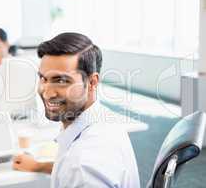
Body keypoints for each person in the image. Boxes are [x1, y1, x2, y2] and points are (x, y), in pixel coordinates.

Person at [12, 32, 140, 188]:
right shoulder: (102, 119)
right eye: (43, 78)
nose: (47, 92)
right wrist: (39, 166)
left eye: (61, 81)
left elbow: (80, 169)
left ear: (92, 82)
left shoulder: (84, 168)